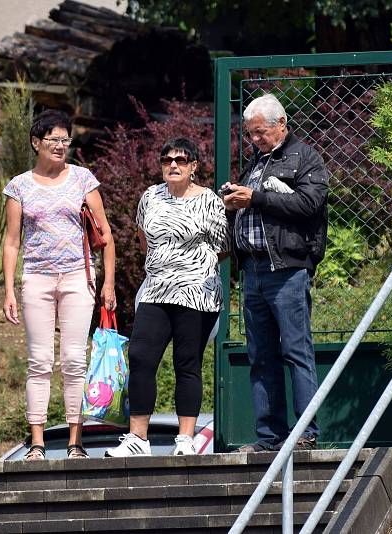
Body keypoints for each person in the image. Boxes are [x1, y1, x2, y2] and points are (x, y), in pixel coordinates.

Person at [2, 109, 116, 460]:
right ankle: (37, 443)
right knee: (39, 360)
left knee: (72, 359)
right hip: (36, 278)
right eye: (53, 139)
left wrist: (108, 283)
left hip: (77, 277)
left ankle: (74, 442)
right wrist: (9, 289)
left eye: (66, 140)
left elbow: (105, 234)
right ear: (36, 142)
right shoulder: (18, 186)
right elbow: (11, 241)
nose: (60, 145)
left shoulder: (83, 179)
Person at [104, 137, 229, 457]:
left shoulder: (210, 201)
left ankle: (185, 440)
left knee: (187, 363)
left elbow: (223, 246)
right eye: (167, 159)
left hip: (197, 292)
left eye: (182, 160)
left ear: (194, 167)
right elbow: (143, 240)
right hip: (156, 288)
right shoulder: (150, 197)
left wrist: (192, 269)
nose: (173, 165)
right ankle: (137, 439)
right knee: (142, 357)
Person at [221, 93, 328, 452]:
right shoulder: (255, 162)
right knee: (261, 356)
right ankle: (269, 437)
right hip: (252, 270)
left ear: (281, 124)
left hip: (287, 268)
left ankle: (306, 434)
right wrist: (233, 201)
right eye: (250, 134)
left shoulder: (306, 158)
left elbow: (308, 204)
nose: (254, 140)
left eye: (260, 133)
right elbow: (251, 203)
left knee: (296, 351)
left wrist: (255, 198)